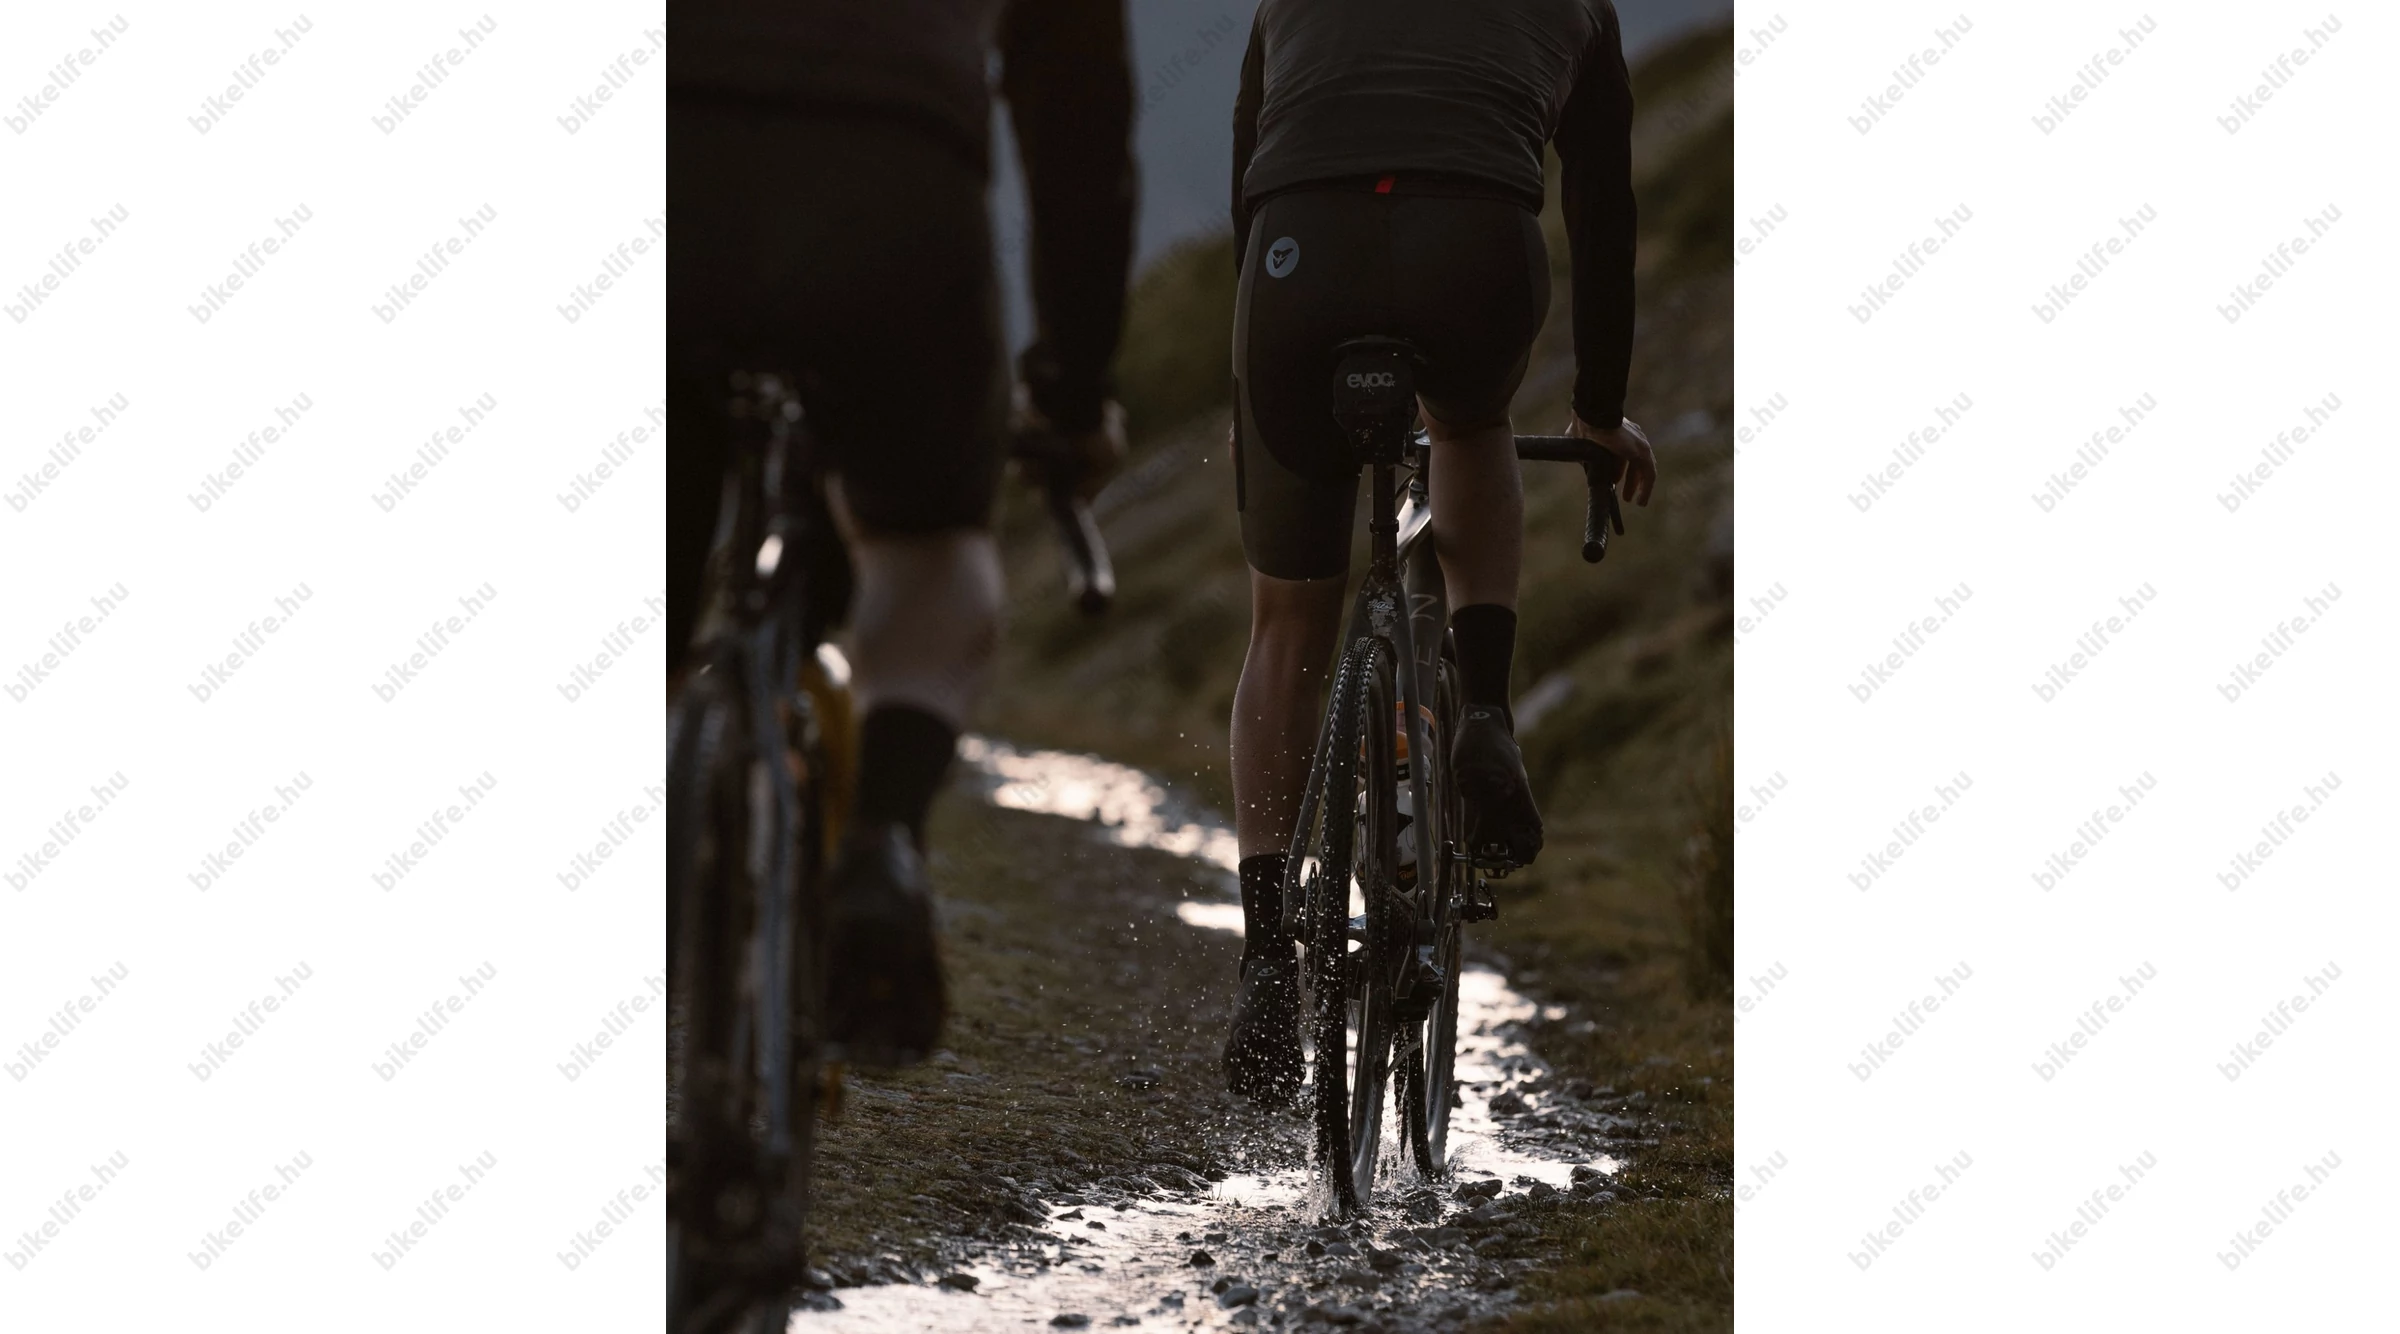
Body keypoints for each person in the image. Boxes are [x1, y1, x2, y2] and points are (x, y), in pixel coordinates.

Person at [668, 0, 1135, 1066]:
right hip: (895, 185)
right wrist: (1072, 389)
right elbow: (1080, 119)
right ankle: (881, 837)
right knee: (927, 553)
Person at [1219, 0, 1660, 1103]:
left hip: (1295, 253)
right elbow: (1604, 206)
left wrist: (1271, 352)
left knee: (1287, 625)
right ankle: (1487, 713)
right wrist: (1600, 410)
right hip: (1475, 248)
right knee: (1468, 428)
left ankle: (1268, 953)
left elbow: (1247, 174)